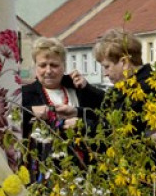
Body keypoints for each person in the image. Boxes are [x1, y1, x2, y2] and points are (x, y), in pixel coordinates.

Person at [20, 37, 105, 180]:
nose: (48, 70)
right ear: (35, 67)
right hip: (42, 174)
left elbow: (105, 110)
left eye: (54, 65)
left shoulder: (77, 88)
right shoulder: (25, 94)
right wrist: (31, 111)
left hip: (83, 170)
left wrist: (87, 88)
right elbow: (7, 116)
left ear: (64, 66)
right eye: (42, 65)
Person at [92, 29, 156, 168]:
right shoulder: (126, 88)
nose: (105, 73)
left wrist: (82, 125)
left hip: (140, 174)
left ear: (124, 62)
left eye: (107, 66)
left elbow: (119, 132)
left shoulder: (145, 90)